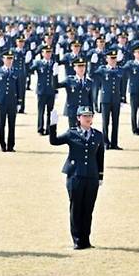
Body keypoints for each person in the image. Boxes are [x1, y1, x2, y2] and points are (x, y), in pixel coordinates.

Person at [48, 106, 104, 250]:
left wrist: (100, 176)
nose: (88, 118)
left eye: (90, 115)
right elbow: (54, 141)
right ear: (78, 118)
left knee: (88, 209)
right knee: (76, 208)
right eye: (85, 116)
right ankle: (77, 240)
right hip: (75, 176)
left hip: (91, 177)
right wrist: (52, 124)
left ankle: (86, 240)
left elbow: (100, 157)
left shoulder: (98, 135)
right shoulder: (71, 133)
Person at [0, 51, 21, 152]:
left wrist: (20, 101)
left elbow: (19, 87)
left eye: (11, 59)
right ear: (3, 59)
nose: (9, 61)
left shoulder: (16, 71)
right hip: (1, 101)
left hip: (12, 101)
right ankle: (2, 144)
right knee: (1, 123)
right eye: (7, 59)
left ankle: (11, 145)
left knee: (12, 124)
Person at [30, 46, 59, 135]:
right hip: (41, 91)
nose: (48, 54)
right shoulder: (38, 63)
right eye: (46, 52)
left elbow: (56, 78)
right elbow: (29, 70)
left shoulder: (54, 63)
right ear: (42, 53)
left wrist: (56, 90)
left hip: (51, 91)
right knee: (41, 111)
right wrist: (28, 62)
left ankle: (48, 129)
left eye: (49, 52)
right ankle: (40, 128)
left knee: (50, 111)